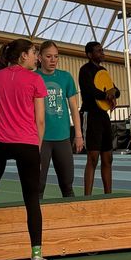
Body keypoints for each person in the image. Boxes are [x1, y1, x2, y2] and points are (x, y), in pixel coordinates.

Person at [0, 38, 51, 260]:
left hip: (2, 142)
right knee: (32, 201)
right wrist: (37, 149)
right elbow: (40, 120)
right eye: (34, 52)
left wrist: (4, 126)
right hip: (27, 144)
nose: (37, 57)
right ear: (23, 56)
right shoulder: (35, 80)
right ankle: (37, 258)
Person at [37, 40, 83, 198]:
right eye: (48, 56)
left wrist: (78, 134)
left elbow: (74, 108)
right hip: (40, 139)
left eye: (56, 56)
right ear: (39, 57)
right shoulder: (33, 77)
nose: (53, 60)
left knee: (67, 185)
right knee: (38, 185)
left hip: (62, 137)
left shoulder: (65, 77)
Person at [78, 41, 119, 197]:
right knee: (93, 158)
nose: (102, 53)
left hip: (103, 116)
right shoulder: (85, 70)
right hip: (91, 115)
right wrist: (108, 95)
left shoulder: (103, 71)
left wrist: (112, 94)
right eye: (98, 51)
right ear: (89, 54)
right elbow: (90, 91)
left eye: (102, 50)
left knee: (108, 158)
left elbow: (116, 90)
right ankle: (87, 197)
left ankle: (108, 196)